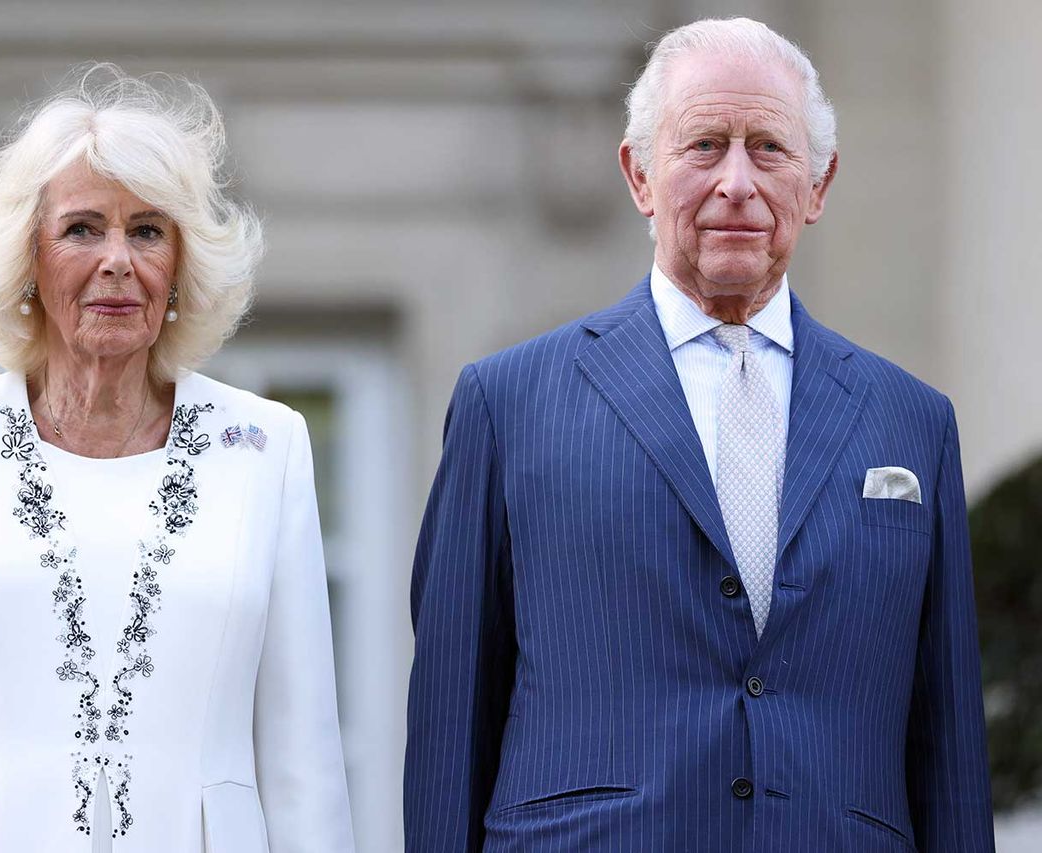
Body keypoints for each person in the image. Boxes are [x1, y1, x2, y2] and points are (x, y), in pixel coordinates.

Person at [404, 17, 993, 852]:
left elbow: (950, 754)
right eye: (706, 145)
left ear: (819, 185)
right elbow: (448, 728)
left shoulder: (913, 421)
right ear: (640, 174)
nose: (737, 182)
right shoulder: (509, 402)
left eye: (769, 149)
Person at [0, 65, 354, 853]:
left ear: (178, 267)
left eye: (146, 230)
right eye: (81, 228)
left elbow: (302, 759)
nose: (117, 259)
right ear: (29, 260)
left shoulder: (266, 449)